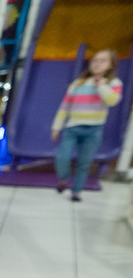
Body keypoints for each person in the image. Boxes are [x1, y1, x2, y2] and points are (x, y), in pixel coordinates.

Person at [52, 48, 123, 202]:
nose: (97, 63)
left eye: (102, 60)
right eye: (95, 60)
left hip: (94, 129)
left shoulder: (114, 84)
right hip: (72, 127)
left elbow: (112, 101)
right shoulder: (78, 83)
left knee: (85, 162)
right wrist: (57, 126)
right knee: (62, 157)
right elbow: (65, 106)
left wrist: (101, 86)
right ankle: (63, 179)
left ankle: (76, 191)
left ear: (111, 65)